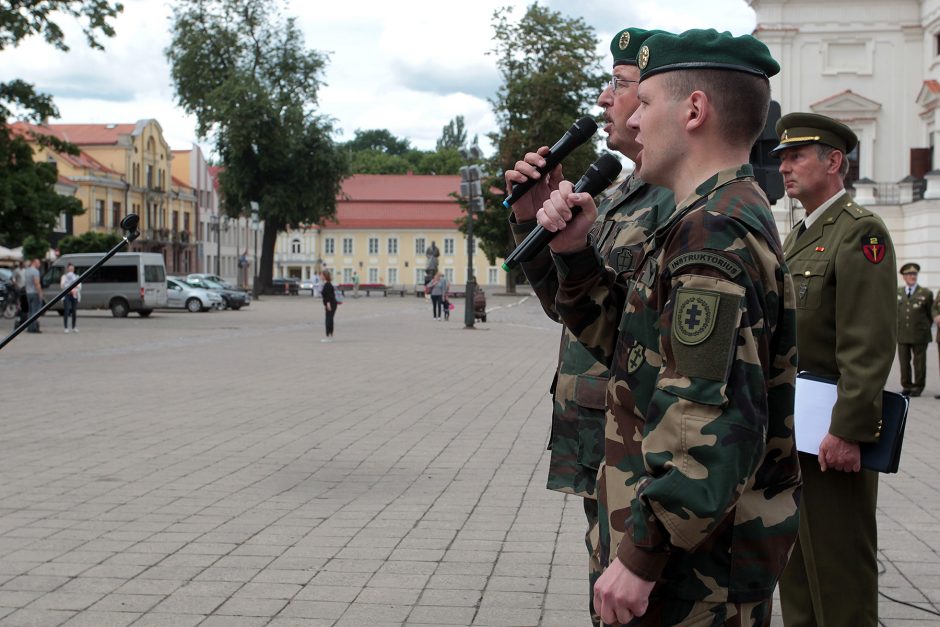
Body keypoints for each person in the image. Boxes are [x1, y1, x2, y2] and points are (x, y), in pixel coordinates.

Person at [537, 29, 801, 626]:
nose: (632, 124)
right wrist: (577, 254)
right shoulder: (705, 216)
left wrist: (641, 553)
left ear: (694, 110)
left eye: (646, 102)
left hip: (691, 570)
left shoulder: (716, 231)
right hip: (683, 551)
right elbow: (639, 354)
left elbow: (706, 416)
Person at [503, 27, 674, 627]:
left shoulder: (674, 201)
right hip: (600, 430)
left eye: (622, 86)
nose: (603, 99)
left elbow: (633, 329)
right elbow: (567, 307)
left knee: (633, 593)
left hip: (641, 439)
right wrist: (532, 216)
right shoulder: (626, 191)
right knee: (605, 579)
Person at [773, 112, 897, 627]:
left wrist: (848, 431)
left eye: (796, 155)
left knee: (838, 570)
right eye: (781, 157)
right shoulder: (800, 235)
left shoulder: (859, 232)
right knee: (796, 567)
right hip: (793, 431)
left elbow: (866, 344)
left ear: (834, 161)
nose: (784, 167)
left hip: (831, 439)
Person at [896, 262, 932, 396]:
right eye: (909, 274)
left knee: (919, 363)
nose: (912, 276)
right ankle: (906, 386)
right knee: (904, 363)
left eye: (914, 274)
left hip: (920, 334)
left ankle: (918, 387)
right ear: (904, 277)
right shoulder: (898, 292)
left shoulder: (926, 293)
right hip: (902, 334)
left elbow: (930, 314)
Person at [24, 258, 43, 333]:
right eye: (38, 263)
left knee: (30, 311)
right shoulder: (35, 271)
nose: (39, 265)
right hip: (34, 293)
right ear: (34, 263)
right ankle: (34, 328)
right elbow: (37, 283)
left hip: (28, 293)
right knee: (35, 312)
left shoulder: (27, 271)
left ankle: (29, 328)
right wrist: (40, 293)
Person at [60, 262, 80, 333]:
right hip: (66, 295)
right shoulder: (64, 276)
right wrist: (69, 288)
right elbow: (62, 286)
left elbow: (79, 286)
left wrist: (74, 290)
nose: (71, 270)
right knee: (66, 311)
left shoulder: (77, 276)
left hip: (74, 295)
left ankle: (74, 327)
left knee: (74, 311)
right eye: (70, 269)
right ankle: (66, 327)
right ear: (67, 269)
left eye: (72, 268)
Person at [320, 269, 337, 342]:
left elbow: (329, 296)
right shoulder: (327, 284)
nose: (320, 276)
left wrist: (328, 304)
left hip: (330, 303)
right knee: (329, 319)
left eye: (321, 275)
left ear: (325, 276)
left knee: (328, 319)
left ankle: (329, 336)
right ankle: (330, 335)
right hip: (330, 303)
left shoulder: (328, 285)